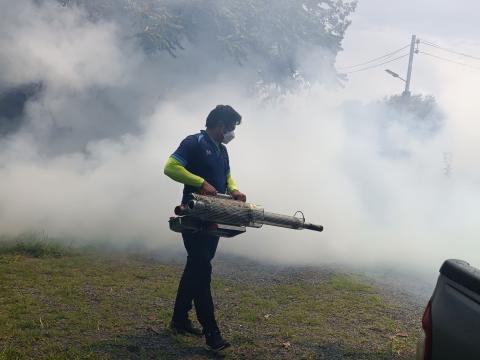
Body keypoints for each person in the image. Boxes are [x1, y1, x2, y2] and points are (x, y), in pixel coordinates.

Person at [163, 105, 247, 352]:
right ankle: (212, 332)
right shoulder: (194, 142)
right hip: (194, 216)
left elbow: (227, 175)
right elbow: (170, 167)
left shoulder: (222, 150)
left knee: (196, 265)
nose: (231, 133)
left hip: (215, 216)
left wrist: (233, 189)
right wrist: (200, 182)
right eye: (231, 128)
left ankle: (179, 319)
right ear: (220, 124)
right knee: (202, 269)